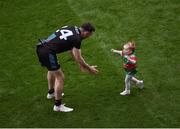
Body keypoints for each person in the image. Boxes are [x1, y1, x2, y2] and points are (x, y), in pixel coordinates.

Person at [36, 22, 99, 112]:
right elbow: (78, 57)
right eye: (89, 35)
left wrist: (81, 65)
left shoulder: (71, 27)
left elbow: (72, 51)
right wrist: (88, 68)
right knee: (60, 77)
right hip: (48, 52)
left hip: (41, 47)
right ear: (86, 32)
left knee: (51, 70)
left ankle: (51, 93)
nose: (88, 37)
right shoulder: (77, 39)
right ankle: (58, 106)